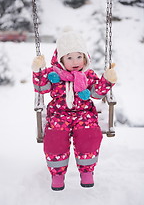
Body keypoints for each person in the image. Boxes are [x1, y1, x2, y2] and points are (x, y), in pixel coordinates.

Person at [32, 28, 117, 191]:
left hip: (84, 114)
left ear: (85, 57)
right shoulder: (53, 74)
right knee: (55, 139)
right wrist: (38, 71)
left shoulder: (88, 74)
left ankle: (87, 172)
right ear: (61, 59)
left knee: (89, 135)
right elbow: (41, 87)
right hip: (59, 114)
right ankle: (57, 175)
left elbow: (96, 94)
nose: (75, 61)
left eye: (79, 56)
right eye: (69, 57)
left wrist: (107, 80)